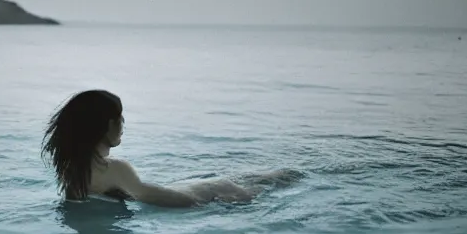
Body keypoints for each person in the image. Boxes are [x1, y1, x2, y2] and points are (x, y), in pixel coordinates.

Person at [41, 89, 302, 208]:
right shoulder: (116, 169)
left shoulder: (70, 170)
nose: (122, 124)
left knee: (271, 178)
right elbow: (163, 199)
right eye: (119, 118)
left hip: (195, 185)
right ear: (105, 125)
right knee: (280, 179)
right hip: (209, 191)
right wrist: (210, 201)